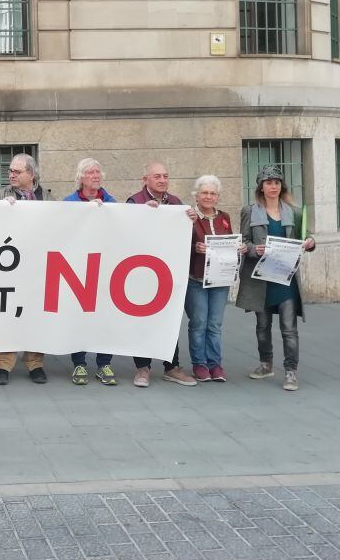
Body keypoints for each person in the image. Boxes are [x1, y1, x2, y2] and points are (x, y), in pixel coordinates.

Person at [236, 165, 316, 392]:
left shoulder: (295, 212)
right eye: (268, 182)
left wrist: (310, 243)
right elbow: (243, 242)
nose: (273, 186)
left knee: (288, 328)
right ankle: (266, 364)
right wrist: (254, 249)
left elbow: (305, 237)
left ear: (282, 186)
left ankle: (291, 372)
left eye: (277, 182)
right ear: (261, 186)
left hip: (285, 278)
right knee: (262, 326)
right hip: (260, 279)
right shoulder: (249, 212)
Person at [126, 163, 198, 389]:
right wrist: (142, 214)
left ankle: (171, 366)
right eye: (157, 176)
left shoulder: (176, 203)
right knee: (142, 319)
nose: (162, 180)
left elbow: (189, 237)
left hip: (168, 272)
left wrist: (192, 221)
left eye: (165, 176)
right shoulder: (134, 201)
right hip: (141, 271)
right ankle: (143, 367)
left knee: (171, 318)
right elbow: (126, 230)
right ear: (145, 179)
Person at [0, 153, 48, 386]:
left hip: (38, 268)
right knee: (7, 315)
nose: (11, 175)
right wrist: (1, 210)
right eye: (10, 171)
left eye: (17, 171)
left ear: (31, 175)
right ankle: (3, 364)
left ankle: (35, 364)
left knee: (36, 315)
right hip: (9, 269)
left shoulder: (48, 199)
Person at [63, 158, 118, 386]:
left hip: (105, 268)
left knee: (105, 316)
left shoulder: (112, 202)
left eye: (98, 172)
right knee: (79, 316)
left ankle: (104, 362)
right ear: (81, 177)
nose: (96, 175)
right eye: (90, 172)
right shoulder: (69, 202)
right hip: (77, 268)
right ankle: (79, 363)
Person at [185, 175, 242, 384]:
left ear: (217, 197)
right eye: (204, 193)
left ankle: (215, 364)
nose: (208, 197)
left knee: (215, 324)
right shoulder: (189, 217)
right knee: (199, 322)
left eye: (212, 193)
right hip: (196, 278)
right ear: (197, 196)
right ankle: (199, 364)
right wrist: (194, 248)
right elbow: (179, 245)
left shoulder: (224, 217)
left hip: (220, 279)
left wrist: (239, 248)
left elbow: (229, 242)